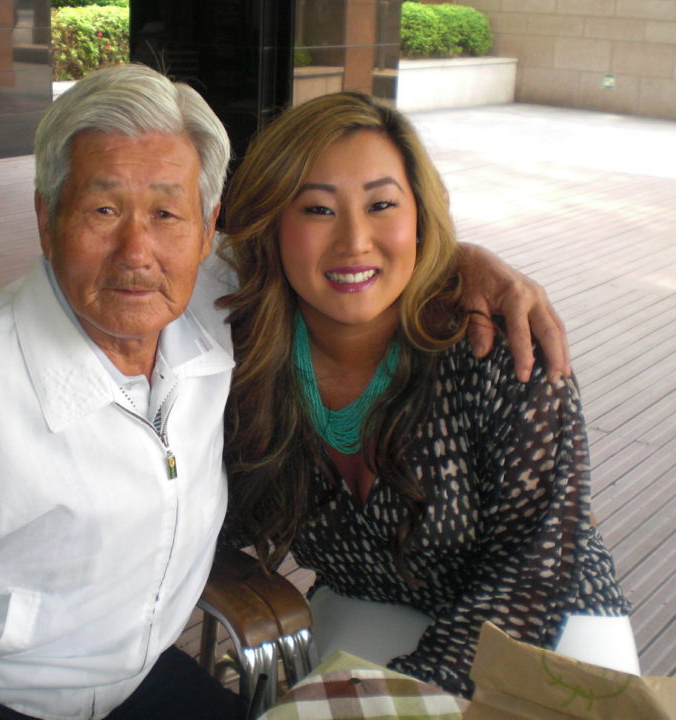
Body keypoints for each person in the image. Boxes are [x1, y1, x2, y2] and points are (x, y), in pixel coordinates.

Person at [0, 65, 568, 719]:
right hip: (3, 700)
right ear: (44, 218)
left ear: (207, 230)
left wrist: (461, 260)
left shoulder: (213, 301)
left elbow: (339, 261)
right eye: (102, 210)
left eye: (167, 213)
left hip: (139, 683)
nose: (137, 251)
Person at [218, 92, 638, 700]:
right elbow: (203, 513)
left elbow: (537, 562)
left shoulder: (497, 346)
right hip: (371, 600)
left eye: (382, 204)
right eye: (317, 210)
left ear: (420, 214)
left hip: (547, 610)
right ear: (272, 224)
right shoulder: (241, 364)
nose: (355, 242)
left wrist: (414, 697)